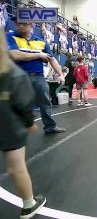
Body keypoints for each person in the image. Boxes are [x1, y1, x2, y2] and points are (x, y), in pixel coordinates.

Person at [0, 29, 46, 219]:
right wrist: (29, 123)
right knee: (16, 165)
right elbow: (24, 103)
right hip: (8, 124)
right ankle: (29, 204)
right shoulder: (13, 74)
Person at [7, 19, 66, 134]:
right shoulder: (10, 37)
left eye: (24, 24)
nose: (20, 26)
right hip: (19, 77)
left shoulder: (40, 41)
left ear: (31, 25)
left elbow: (52, 59)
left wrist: (61, 74)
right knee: (19, 103)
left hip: (38, 77)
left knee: (45, 101)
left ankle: (50, 126)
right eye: (18, 24)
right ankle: (16, 129)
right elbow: (15, 55)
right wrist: (39, 55)